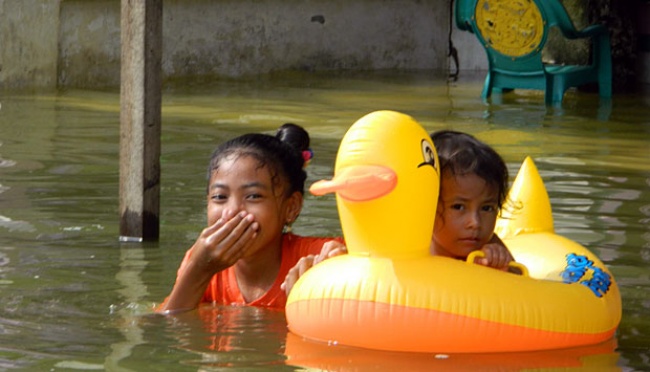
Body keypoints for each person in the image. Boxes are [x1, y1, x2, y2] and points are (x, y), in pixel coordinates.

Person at [282, 130, 517, 295]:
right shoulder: (399, 248)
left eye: (487, 208)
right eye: (458, 207)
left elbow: (522, 294)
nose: (475, 223)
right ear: (424, 203)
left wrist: (502, 267)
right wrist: (336, 263)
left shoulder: (484, 251)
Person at [158, 123, 342, 314]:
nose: (231, 212)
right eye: (220, 197)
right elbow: (167, 326)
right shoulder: (201, 259)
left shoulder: (321, 259)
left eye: (253, 196)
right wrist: (198, 271)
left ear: (291, 207)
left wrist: (331, 276)